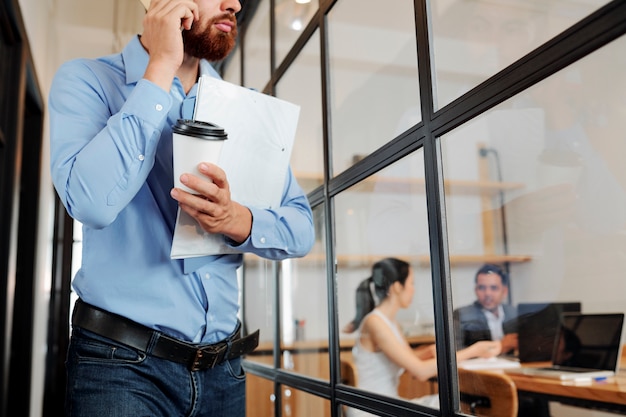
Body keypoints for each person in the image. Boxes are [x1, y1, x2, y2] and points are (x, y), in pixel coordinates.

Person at [48, 1, 315, 416]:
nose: (235, 4)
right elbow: (90, 203)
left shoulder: (245, 108)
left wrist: (237, 219)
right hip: (122, 370)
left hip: (225, 372)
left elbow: (301, 228)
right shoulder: (87, 81)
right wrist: (160, 69)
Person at [348, 258, 501, 415]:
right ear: (397, 287)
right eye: (411, 283)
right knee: (454, 406)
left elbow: (408, 359)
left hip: (385, 404)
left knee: (454, 404)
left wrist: (429, 350)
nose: (414, 289)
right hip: (371, 409)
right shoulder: (375, 323)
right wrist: (474, 350)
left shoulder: (390, 323)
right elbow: (419, 372)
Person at [453, 264, 518, 354]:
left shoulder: (513, 313)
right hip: (476, 367)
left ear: (504, 291)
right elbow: (454, 353)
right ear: (476, 290)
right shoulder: (462, 315)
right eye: (482, 288)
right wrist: (501, 346)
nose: (487, 293)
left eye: (494, 288)